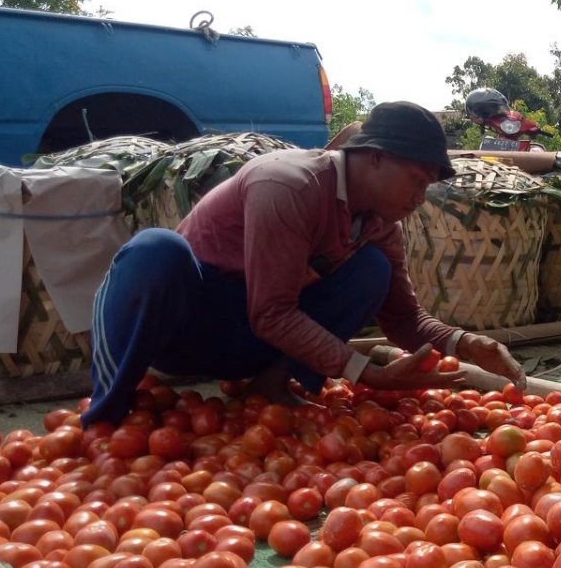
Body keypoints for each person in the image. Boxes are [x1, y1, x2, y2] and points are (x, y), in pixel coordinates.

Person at [82, 101, 526, 425]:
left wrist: (466, 344)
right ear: (376, 158)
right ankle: (108, 411)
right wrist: (368, 375)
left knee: (372, 269)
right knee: (156, 251)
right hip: (187, 328)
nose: (419, 197)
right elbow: (270, 311)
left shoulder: (379, 225)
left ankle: (273, 386)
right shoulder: (289, 184)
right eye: (417, 180)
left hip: (249, 342)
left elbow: (404, 319)